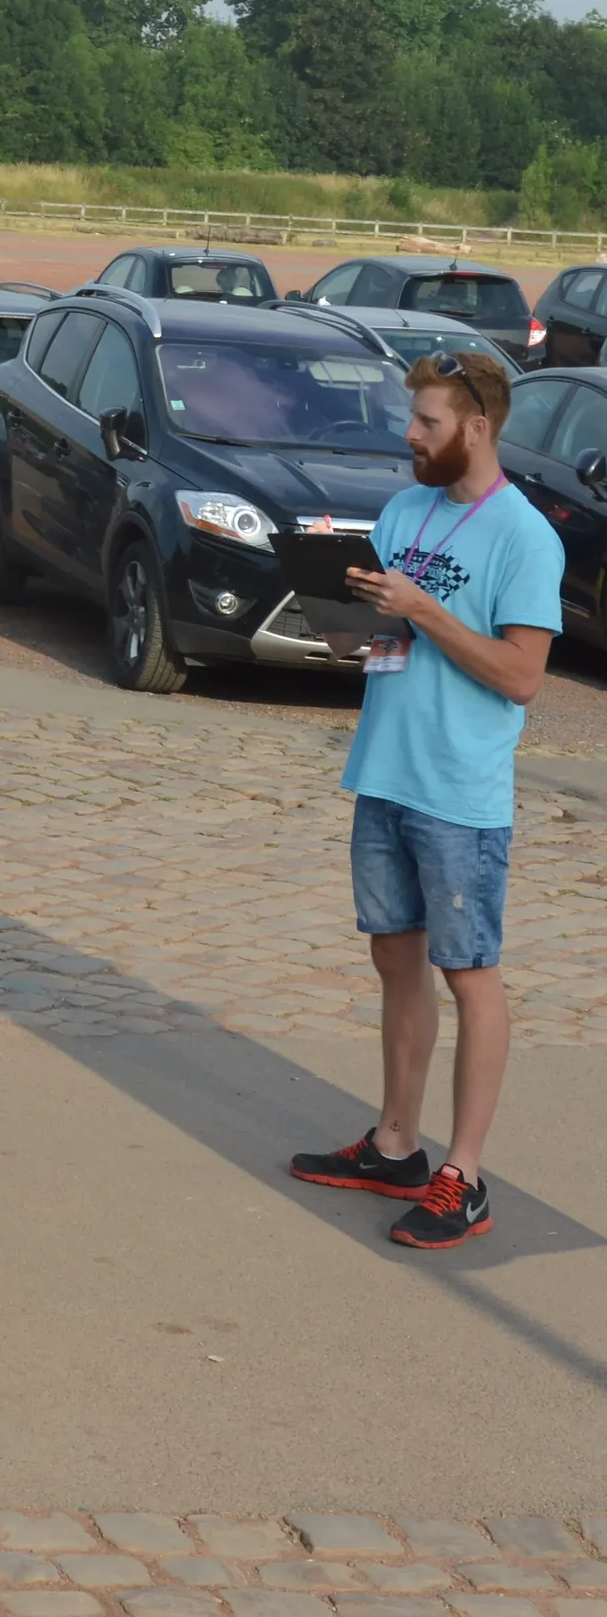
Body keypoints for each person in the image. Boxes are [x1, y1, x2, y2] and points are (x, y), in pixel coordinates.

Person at [290, 352, 563, 1249]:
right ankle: (396, 1143)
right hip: (385, 770)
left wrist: (426, 613)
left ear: (478, 426)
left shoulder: (524, 535)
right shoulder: (406, 511)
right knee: (395, 964)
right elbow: (394, 635)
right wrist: (358, 627)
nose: (409, 436)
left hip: (460, 790)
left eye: (428, 423)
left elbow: (522, 677)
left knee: (470, 974)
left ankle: (465, 1174)